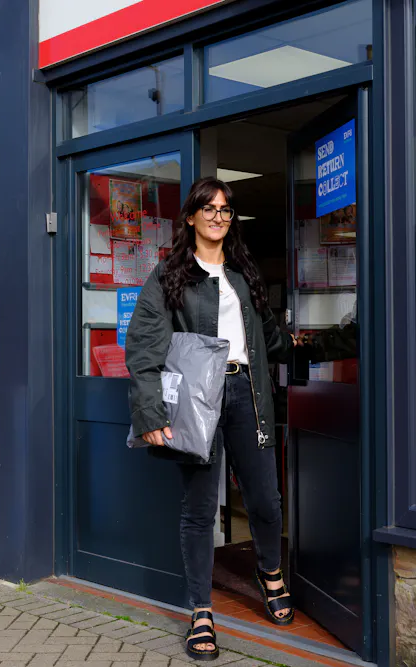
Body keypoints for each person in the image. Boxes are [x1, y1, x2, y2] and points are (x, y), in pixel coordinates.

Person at [125, 177, 300, 661]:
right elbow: (142, 348)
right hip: (199, 397)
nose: (218, 217)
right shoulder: (168, 276)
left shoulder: (244, 272)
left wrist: (322, 344)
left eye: (226, 210)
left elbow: (271, 338)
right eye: (209, 209)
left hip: (247, 392)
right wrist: (150, 413)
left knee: (265, 497)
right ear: (191, 217)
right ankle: (201, 611)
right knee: (200, 507)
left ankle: (270, 574)